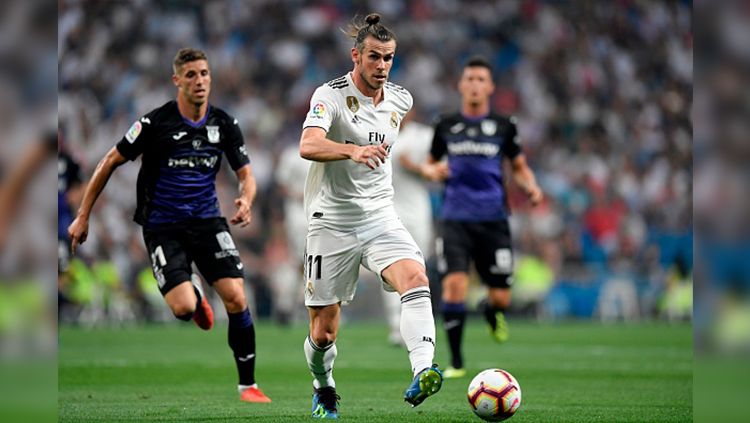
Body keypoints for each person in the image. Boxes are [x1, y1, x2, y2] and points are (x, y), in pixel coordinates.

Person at [67, 48, 271, 403]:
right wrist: (84, 215)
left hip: (208, 221)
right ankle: (192, 291)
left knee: (237, 297)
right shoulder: (154, 123)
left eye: (204, 73)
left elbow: (246, 175)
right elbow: (110, 161)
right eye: (191, 75)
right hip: (163, 226)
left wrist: (246, 199)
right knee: (182, 310)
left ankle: (248, 385)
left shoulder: (223, 123)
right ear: (177, 80)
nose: (200, 81)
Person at [299, 13, 442, 419]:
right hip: (332, 222)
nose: (382, 66)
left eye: (389, 58)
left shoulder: (401, 99)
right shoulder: (329, 96)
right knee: (323, 331)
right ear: (356, 55)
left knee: (415, 277)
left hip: (381, 216)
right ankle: (323, 385)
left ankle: (423, 370)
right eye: (374, 57)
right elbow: (308, 144)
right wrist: (351, 150)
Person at [420, 56, 543, 379]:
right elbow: (429, 163)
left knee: (501, 295)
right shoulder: (445, 125)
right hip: (455, 219)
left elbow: (518, 166)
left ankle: (492, 310)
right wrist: (434, 170)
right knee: (454, 286)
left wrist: (530, 186)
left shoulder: (504, 125)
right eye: (469, 78)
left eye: (480, 79)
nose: (474, 84)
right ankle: (457, 362)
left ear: (489, 87)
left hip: (494, 220)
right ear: (461, 85)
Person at [385, 111, 436, 346]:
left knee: (418, 268)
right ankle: (396, 326)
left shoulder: (425, 136)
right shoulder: (378, 130)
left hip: (417, 211)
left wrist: (415, 167)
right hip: (387, 209)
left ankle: (417, 325)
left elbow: (440, 168)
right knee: (391, 267)